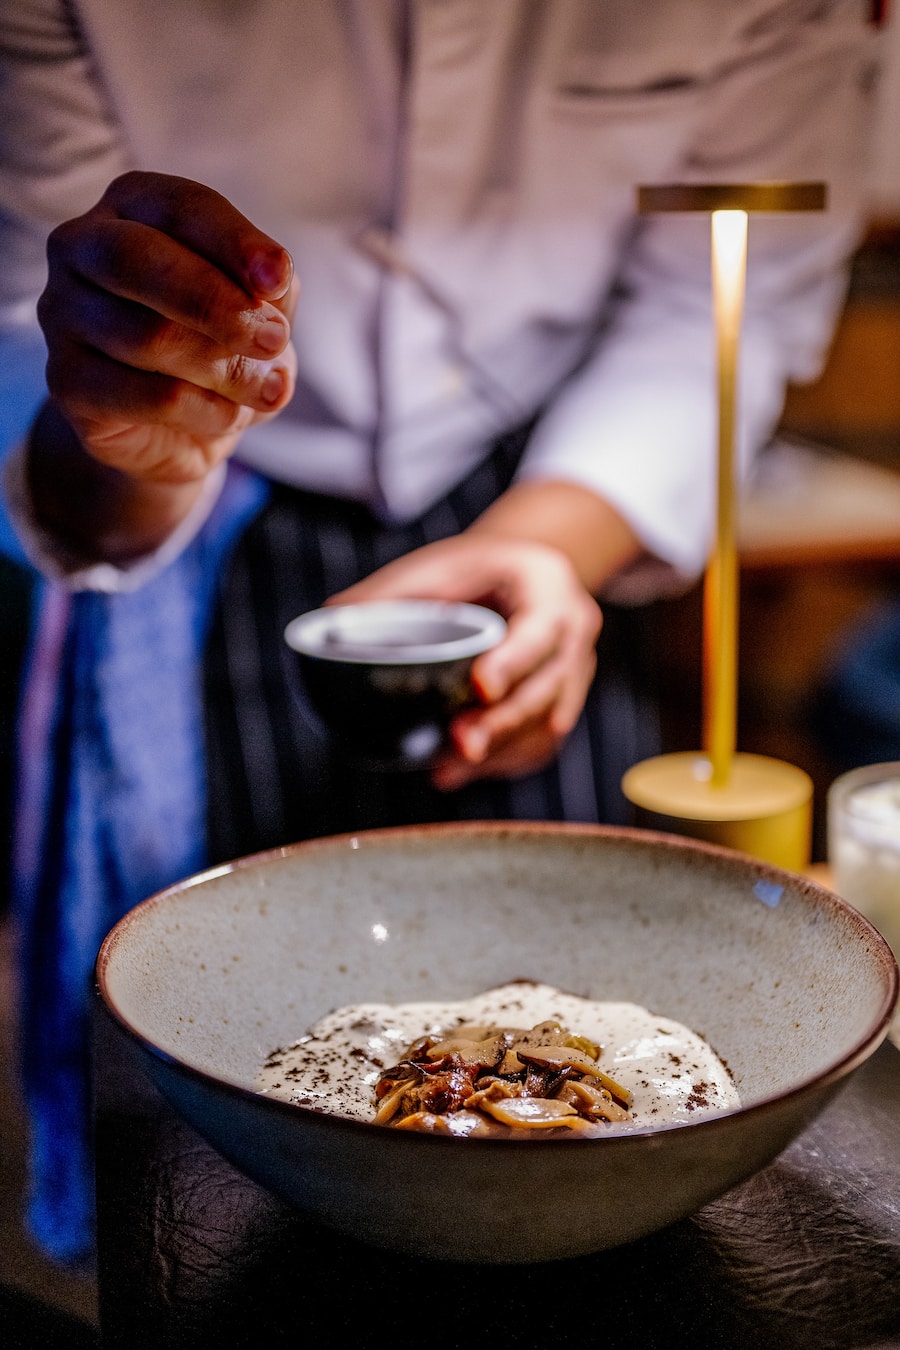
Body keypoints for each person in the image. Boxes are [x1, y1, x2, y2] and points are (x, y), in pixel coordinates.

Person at [0, 1, 876, 1264]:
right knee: (229, 1142)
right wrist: (128, 429)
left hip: (560, 506)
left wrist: (546, 549)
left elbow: (718, 307)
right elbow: (23, 335)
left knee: (604, 1127)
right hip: (211, 532)